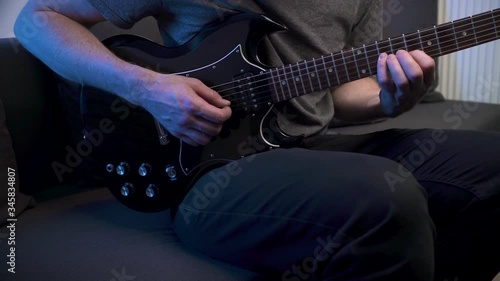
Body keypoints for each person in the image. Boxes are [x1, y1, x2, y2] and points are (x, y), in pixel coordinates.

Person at [14, 0, 499, 280]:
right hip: (209, 169)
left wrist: (391, 98)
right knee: (384, 194)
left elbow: (338, 85)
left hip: (313, 147)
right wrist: (147, 88)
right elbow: (37, 20)